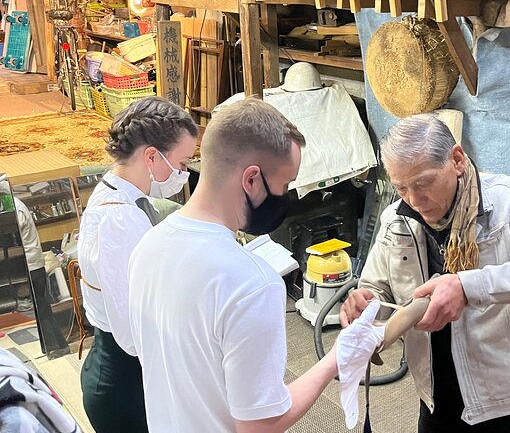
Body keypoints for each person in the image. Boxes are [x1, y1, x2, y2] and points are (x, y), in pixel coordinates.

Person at [127, 98, 381, 432]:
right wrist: (337, 356)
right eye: (286, 185)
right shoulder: (252, 284)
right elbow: (260, 425)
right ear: (251, 180)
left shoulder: (147, 246)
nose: (287, 196)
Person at [340, 114, 510, 432]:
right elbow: (376, 287)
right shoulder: (396, 219)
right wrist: (365, 303)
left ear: (456, 160)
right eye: (401, 187)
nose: (414, 200)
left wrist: (467, 286)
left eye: (423, 183)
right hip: (439, 398)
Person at [77, 97, 198, 433]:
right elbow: (134, 334)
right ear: (151, 156)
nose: (183, 173)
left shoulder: (118, 191)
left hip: (123, 371)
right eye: (182, 161)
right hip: (124, 382)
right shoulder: (120, 219)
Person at [0, 179, 70, 359]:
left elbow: (14, 232)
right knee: (42, 308)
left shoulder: (16, 208)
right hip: (32, 264)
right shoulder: (16, 206)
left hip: (32, 266)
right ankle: (58, 346)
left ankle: (55, 347)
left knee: (40, 309)